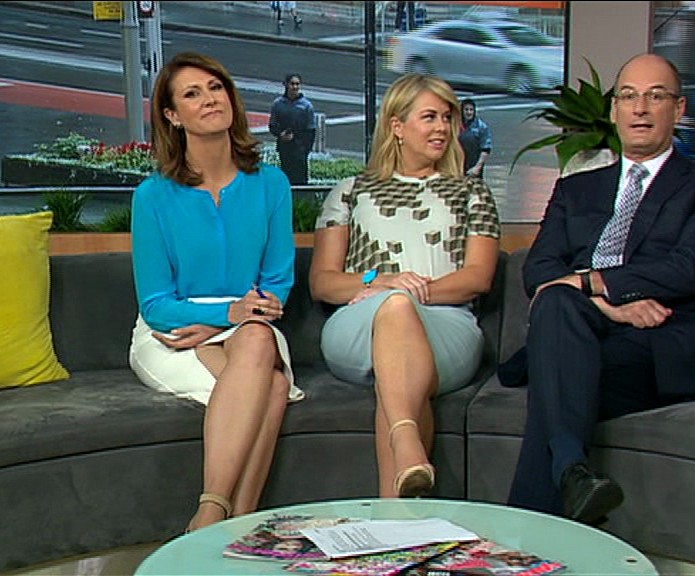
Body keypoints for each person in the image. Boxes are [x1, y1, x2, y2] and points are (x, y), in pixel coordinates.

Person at [505, 53, 695, 525]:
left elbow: (692, 267)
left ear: (678, 109)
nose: (640, 108)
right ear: (614, 110)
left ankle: (532, 529)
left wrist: (589, 282)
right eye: (628, 96)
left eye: (655, 96)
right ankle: (572, 475)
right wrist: (608, 305)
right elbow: (538, 270)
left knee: (557, 379)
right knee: (556, 302)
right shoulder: (577, 188)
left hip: (659, 342)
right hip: (581, 328)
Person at [128, 51, 303, 533]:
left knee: (258, 341)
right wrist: (225, 314)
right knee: (271, 386)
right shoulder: (153, 196)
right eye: (192, 93)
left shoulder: (271, 184)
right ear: (172, 116)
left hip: (252, 324)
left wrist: (235, 317)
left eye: (216, 87)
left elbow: (277, 284)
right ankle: (232, 522)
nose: (210, 99)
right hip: (173, 333)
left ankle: (212, 516)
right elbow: (156, 306)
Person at [309, 73, 500, 498]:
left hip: (446, 327)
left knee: (397, 339)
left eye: (447, 118)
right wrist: (381, 281)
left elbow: (477, 278)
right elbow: (323, 282)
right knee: (394, 309)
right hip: (359, 324)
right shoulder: (350, 192)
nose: (442, 128)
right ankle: (408, 451)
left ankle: (396, 489)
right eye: (429, 117)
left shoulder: (473, 193)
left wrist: (408, 293)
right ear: (396, 125)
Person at [268, 73, 316, 186]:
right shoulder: (278, 104)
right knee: (285, 180)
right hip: (284, 149)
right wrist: (281, 134)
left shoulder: (306, 106)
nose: (295, 87)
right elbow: (273, 125)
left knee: (300, 181)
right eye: (292, 84)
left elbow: (311, 130)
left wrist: (306, 150)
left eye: (297, 84)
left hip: (300, 151)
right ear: (285, 85)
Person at [458, 98, 493, 179]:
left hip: (474, 167)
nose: (469, 112)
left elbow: (486, 149)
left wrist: (477, 167)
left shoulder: (481, 126)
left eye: (471, 110)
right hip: (458, 166)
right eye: (466, 110)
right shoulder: (456, 125)